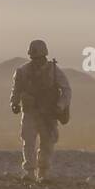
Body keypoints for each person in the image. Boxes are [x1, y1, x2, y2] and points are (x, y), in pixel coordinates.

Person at [10, 39, 71, 181]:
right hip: (30, 112)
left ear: (45, 56)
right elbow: (16, 89)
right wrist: (14, 103)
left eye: (39, 58)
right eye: (34, 58)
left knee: (47, 143)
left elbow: (66, 90)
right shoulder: (23, 71)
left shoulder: (55, 72)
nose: (37, 61)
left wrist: (60, 106)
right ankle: (29, 173)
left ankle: (43, 173)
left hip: (48, 114)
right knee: (28, 142)